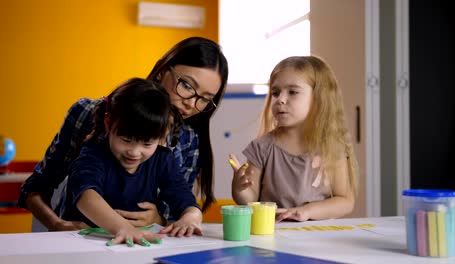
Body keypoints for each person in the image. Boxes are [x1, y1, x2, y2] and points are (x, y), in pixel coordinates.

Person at [18, 36, 228, 234]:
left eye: (205, 99)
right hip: (81, 241)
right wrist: (56, 224)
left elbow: (179, 208)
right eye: (187, 85)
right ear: (162, 70)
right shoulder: (90, 117)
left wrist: (159, 220)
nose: (191, 103)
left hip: (141, 245)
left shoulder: (188, 141)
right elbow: (41, 187)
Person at [62, 78, 201, 245]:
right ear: (108, 123)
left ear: (163, 136)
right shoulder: (93, 153)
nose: (134, 152)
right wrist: (123, 228)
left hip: (136, 244)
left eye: (147, 143)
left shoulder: (163, 159)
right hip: (85, 241)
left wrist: (191, 216)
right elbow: (86, 197)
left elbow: (185, 200)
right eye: (126, 140)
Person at [229, 55, 358, 221]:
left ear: (319, 98)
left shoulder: (331, 147)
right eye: (275, 93)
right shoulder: (261, 147)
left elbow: (345, 201)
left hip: (319, 238)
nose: (280, 99)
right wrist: (240, 190)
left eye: (293, 92)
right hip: (273, 234)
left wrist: (307, 211)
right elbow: (250, 201)